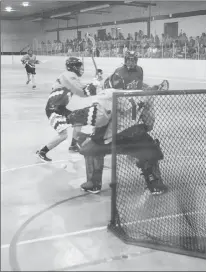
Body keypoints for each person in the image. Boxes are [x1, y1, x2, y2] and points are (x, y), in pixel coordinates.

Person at [67, 50, 169, 195]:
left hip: (113, 137)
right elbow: (149, 121)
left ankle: (94, 182)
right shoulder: (144, 96)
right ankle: (155, 183)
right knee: (150, 149)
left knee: (90, 148)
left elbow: (99, 117)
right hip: (135, 134)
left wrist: (77, 118)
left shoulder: (108, 95)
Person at [36, 57, 98, 162]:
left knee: (79, 121)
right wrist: (94, 85)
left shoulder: (70, 76)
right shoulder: (68, 75)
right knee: (63, 135)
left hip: (61, 108)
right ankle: (42, 152)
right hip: (53, 109)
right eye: (79, 66)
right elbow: (82, 92)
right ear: (73, 67)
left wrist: (94, 83)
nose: (80, 68)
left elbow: (81, 87)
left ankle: (73, 146)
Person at [69, 68, 104, 152]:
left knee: (80, 124)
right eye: (99, 74)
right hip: (86, 107)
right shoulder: (95, 83)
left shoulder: (95, 83)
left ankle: (74, 145)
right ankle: (75, 144)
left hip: (83, 107)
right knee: (81, 124)